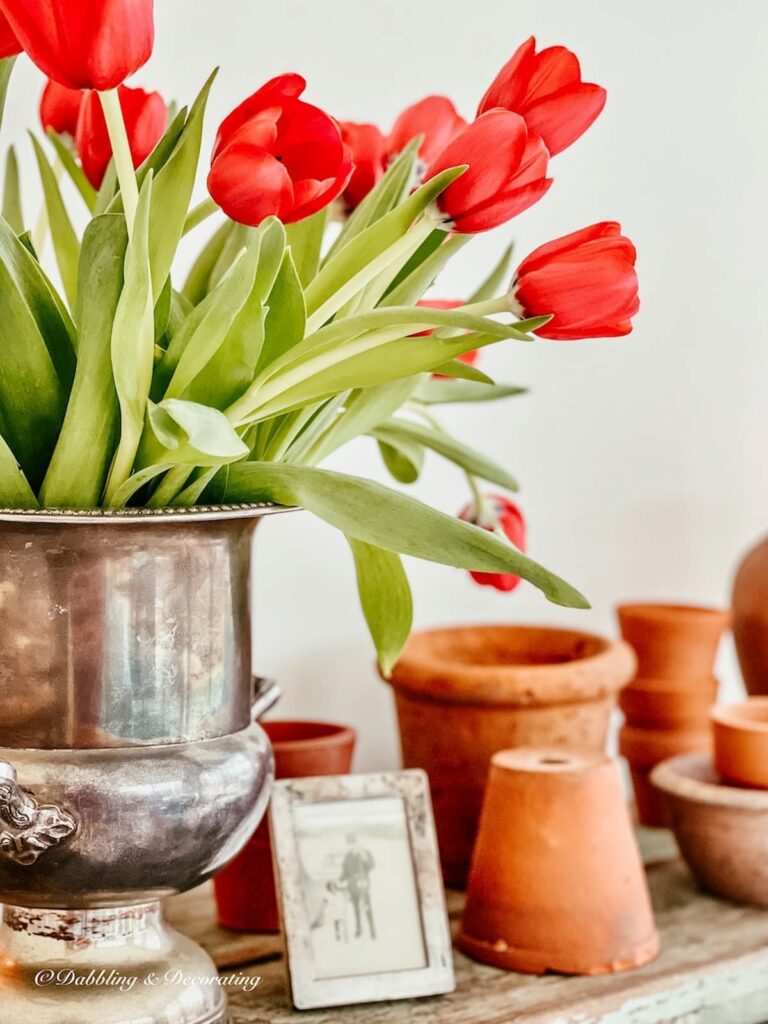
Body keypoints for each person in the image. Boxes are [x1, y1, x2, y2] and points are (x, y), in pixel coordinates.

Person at [340, 833, 376, 940]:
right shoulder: (347, 856)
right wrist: (339, 880)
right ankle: (359, 929)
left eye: (353, 843)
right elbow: (345, 872)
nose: (351, 846)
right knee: (356, 909)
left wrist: (364, 856)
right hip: (352, 887)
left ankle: (372, 930)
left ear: (357, 843)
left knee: (367, 908)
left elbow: (371, 866)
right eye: (349, 844)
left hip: (363, 886)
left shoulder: (365, 853)